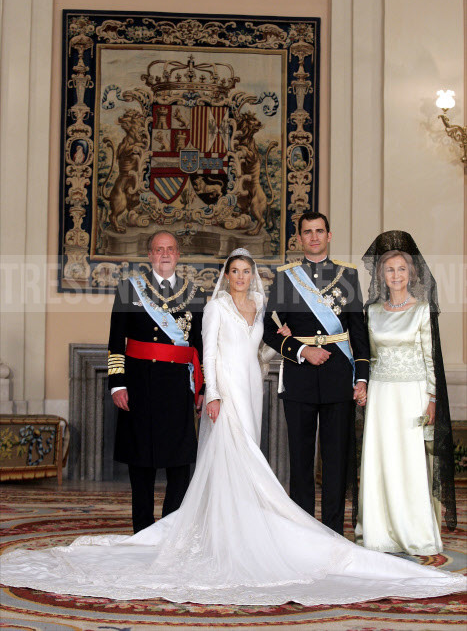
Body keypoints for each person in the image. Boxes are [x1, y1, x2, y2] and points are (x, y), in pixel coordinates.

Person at [0, 247, 464, 605]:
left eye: (247, 272)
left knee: (249, 455)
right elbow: (210, 354)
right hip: (228, 394)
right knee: (233, 454)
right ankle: (227, 528)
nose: (241, 278)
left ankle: (244, 516)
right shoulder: (217, 307)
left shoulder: (261, 309)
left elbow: (269, 345)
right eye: (235, 272)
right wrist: (215, 394)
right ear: (226, 276)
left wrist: (293, 345)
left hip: (255, 389)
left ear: (253, 277)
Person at [263, 212, 370, 534]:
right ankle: (305, 533)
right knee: (300, 461)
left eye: (319, 231)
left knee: (337, 462)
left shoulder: (347, 276)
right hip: (300, 376)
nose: (313, 237)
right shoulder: (285, 277)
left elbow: (359, 333)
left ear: (329, 235)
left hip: (339, 376)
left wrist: (362, 378)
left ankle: (334, 532)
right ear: (299, 238)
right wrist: (302, 350)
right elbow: (269, 330)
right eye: (307, 232)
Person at [355, 231, 457, 554]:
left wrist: (432, 399)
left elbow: (430, 359)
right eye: (389, 270)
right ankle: (379, 530)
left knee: (412, 462)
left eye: (401, 269)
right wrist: (365, 388)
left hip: (413, 395)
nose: (396, 275)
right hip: (382, 397)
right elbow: (369, 358)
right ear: (381, 275)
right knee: (381, 460)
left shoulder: (423, 310)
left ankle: (414, 530)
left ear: (411, 273)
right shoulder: (372, 312)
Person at [108, 231, 206, 533]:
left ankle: (170, 530)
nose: (165, 254)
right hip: (140, 383)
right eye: (158, 249)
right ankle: (142, 530)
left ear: (178, 255)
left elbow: (199, 345)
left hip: (178, 385)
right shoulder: (130, 289)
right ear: (150, 255)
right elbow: (115, 340)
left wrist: (202, 386)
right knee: (142, 462)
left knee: (179, 462)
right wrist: (117, 383)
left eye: (170, 249)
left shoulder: (195, 293)